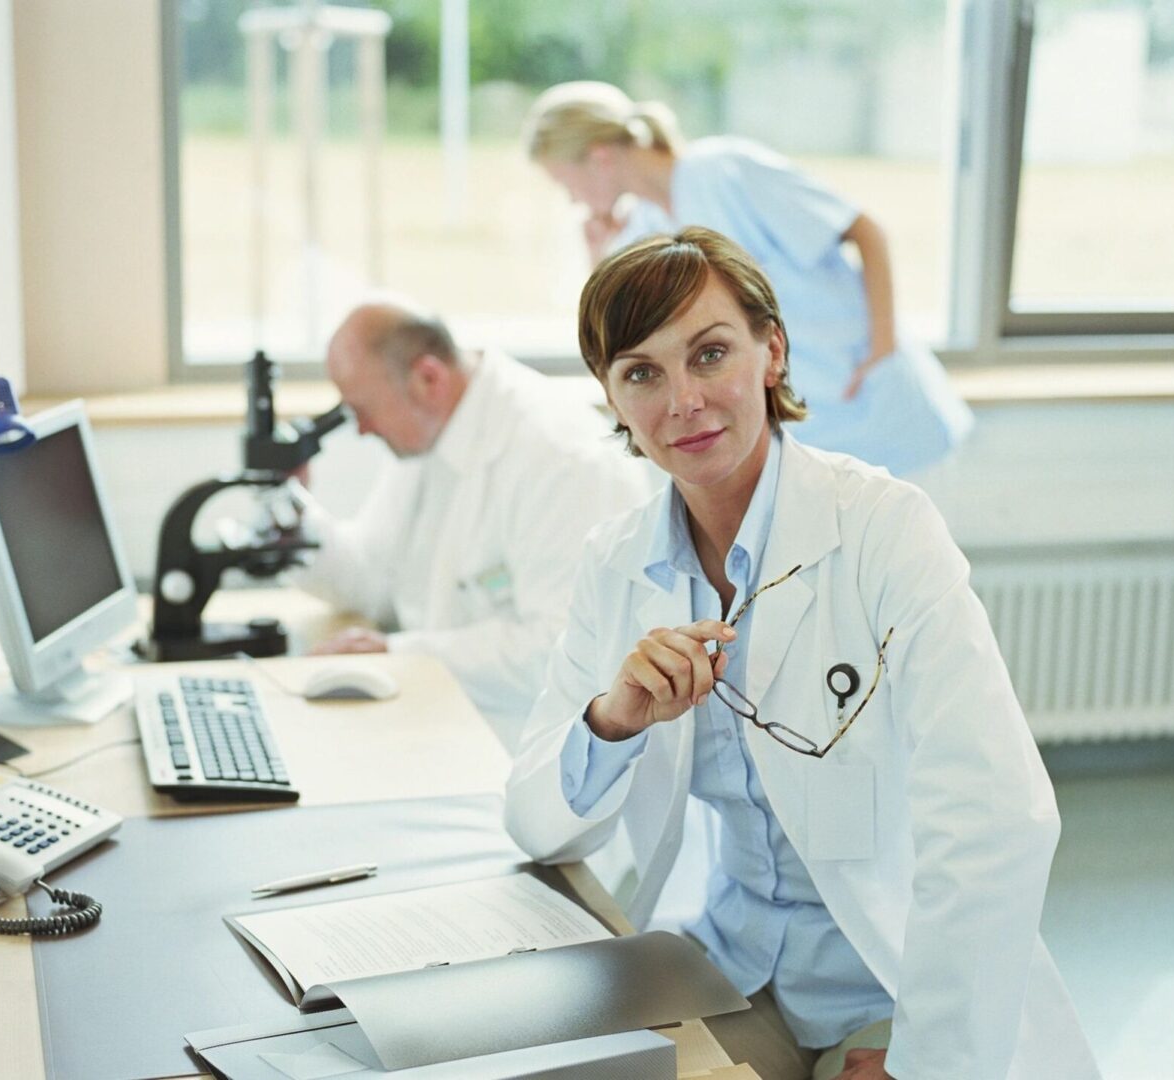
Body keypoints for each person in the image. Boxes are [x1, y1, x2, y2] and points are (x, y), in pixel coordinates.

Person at [504, 229, 1097, 1080]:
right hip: (728, 970)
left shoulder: (884, 531)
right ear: (611, 396)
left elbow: (998, 817)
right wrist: (614, 720)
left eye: (710, 354)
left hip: (892, 985)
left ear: (771, 351)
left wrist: (925, 1061)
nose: (683, 402)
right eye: (641, 372)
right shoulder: (617, 560)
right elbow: (533, 820)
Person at [523, 81, 973, 478]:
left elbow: (866, 231)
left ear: (599, 158)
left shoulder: (723, 171)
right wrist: (597, 255)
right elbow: (625, 337)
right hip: (814, 423)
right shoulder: (647, 226)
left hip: (874, 391)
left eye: (567, 183)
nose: (572, 200)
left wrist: (882, 352)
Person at [292, 298, 651, 747]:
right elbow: (372, 578)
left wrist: (399, 652)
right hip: (446, 716)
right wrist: (288, 510)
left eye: (362, 409)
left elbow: (561, 649)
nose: (361, 429)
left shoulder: (558, 456)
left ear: (428, 378)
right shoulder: (428, 434)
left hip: (530, 745)